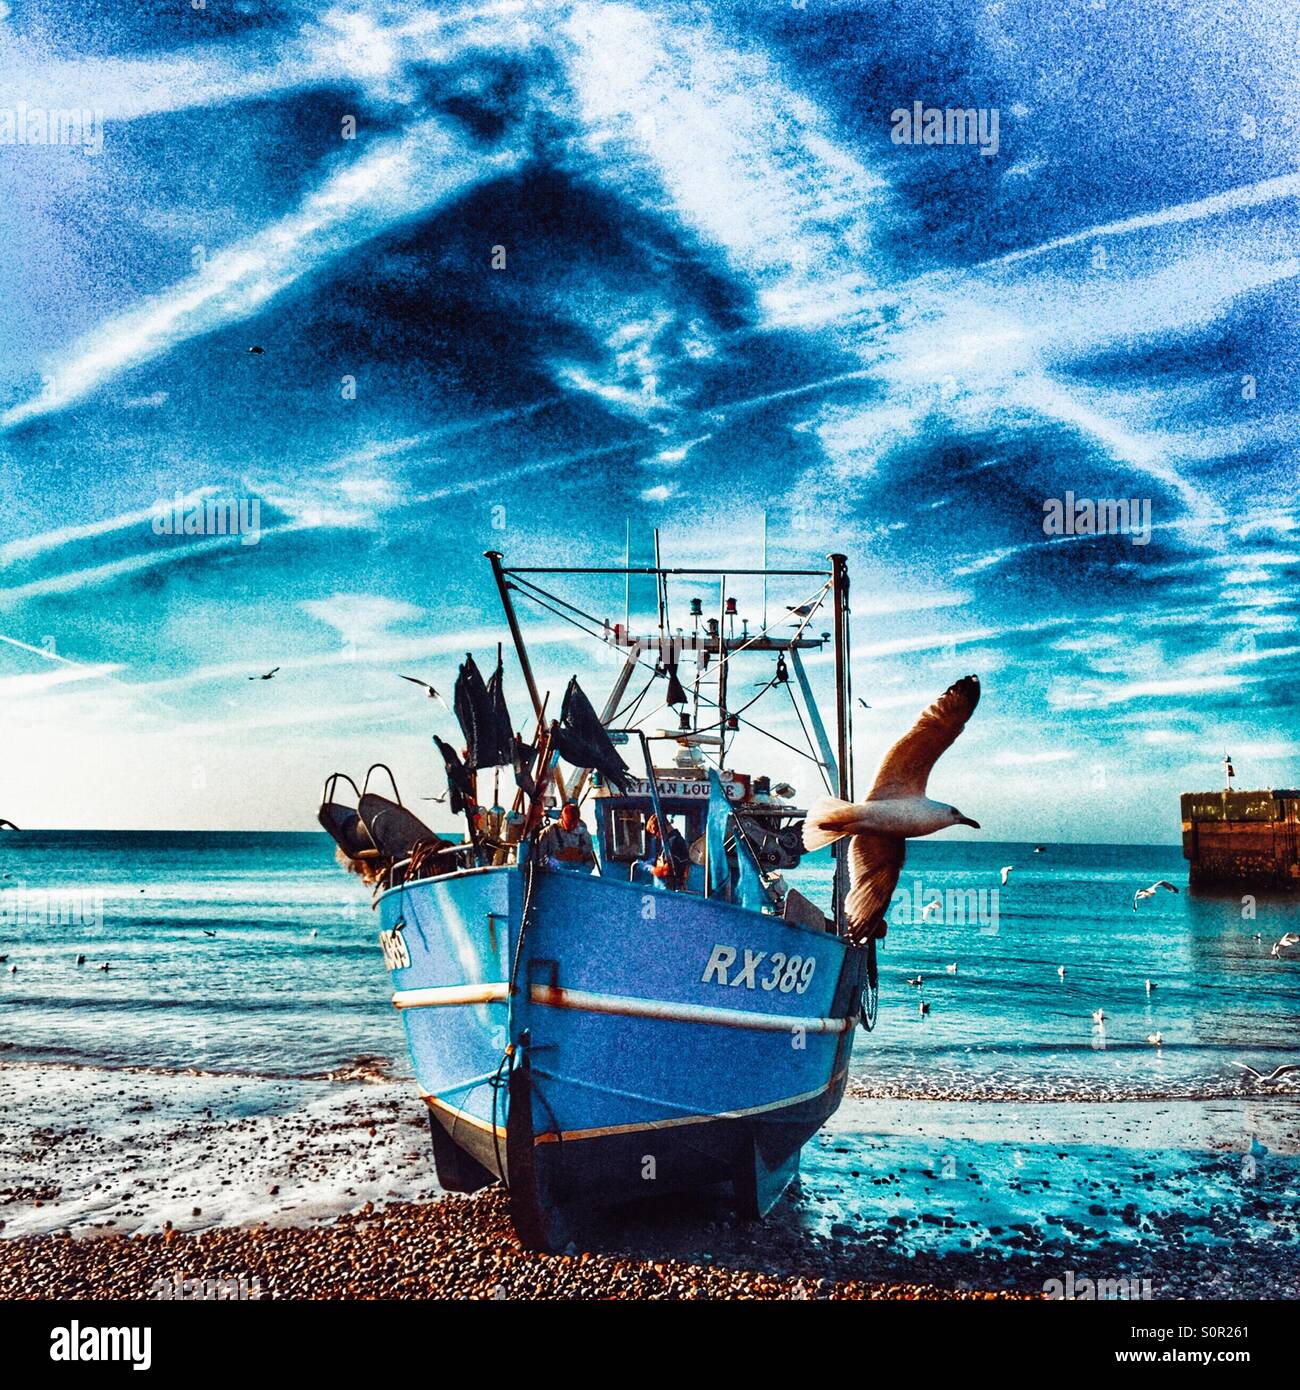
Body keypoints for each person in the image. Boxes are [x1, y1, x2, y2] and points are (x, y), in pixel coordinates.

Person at [537, 801, 598, 873]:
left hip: (578, 878)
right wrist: (555, 866)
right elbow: (539, 858)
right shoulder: (548, 833)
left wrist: (583, 872)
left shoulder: (584, 834)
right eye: (569, 822)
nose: (572, 825)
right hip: (555, 876)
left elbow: (590, 860)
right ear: (562, 817)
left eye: (574, 823)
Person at [646, 812, 690, 890]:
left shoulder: (675, 842)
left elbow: (665, 871)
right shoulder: (668, 841)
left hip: (669, 891)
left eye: (655, 833)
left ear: (661, 827)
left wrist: (647, 868)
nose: (656, 837)